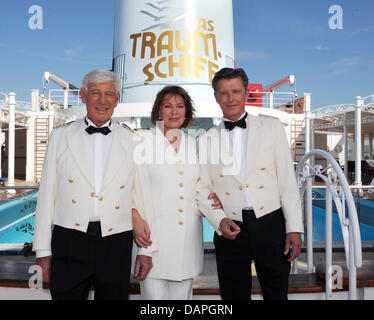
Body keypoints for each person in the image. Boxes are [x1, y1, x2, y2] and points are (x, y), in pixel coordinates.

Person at [33, 69, 150, 300]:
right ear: (84, 96)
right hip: (69, 239)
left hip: (116, 241)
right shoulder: (60, 137)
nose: (102, 100)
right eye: (95, 93)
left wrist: (146, 251)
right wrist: (43, 251)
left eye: (109, 94)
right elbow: (47, 196)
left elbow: (141, 198)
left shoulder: (134, 140)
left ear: (117, 100)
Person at [196, 67, 304, 300]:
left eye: (236, 91)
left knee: (276, 294)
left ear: (245, 93)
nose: (230, 98)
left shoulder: (272, 128)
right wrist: (218, 220)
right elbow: (202, 188)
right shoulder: (205, 139)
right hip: (230, 227)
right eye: (224, 93)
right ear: (215, 97)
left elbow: (287, 181)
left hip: (271, 224)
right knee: (233, 297)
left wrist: (294, 227)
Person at [131, 85, 224, 300]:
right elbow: (128, 189)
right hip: (152, 243)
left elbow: (201, 190)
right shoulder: (142, 142)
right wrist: (134, 217)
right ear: (158, 111)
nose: (174, 112)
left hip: (186, 244)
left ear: (187, 112)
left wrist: (219, 208)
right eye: (168, 106)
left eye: (180, 106)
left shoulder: (194, 145)